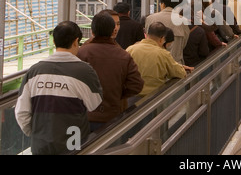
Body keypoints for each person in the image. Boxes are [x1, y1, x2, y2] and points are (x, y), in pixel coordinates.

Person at [15, 21, 103, 155]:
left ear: (55, 42)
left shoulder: (34, 71)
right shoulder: (84, 71)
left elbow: (21, 112)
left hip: (41, 144)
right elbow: (94, 103)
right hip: (74, 142)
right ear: (76, 41)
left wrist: (35, 133)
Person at [77, 11, 144, 132]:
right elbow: (137, 85)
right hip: (113, 115)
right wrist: (117, 94)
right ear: (112, 30)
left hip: (84, 115)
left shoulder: (81, 52)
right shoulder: (123, 55)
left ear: (92, 31)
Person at [127, 22, 193, 97]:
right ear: (162, 38)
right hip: (153, 97)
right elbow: (180, 73)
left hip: (131, 97)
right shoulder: (163, 54)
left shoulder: (130, 49)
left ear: (147, 34)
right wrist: (181, 68)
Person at [145, 0, 190, 65]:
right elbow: (184, 43)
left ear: (163, 4)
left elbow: (147, 39)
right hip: (176, 64)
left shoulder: (150, 18)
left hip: (154, 63)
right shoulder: (183, 20)